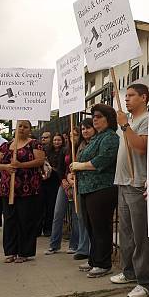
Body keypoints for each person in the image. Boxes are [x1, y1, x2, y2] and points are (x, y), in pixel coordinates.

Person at [111, 83, 149, 297]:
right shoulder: (129, 121)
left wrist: (124, 127)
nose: (127, 99)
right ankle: (130, 272)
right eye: (125, 95)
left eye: (131, 95)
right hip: (124, 182)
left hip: (138, 182)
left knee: (142, 235)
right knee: (127, 233)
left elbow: (141, 147)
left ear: (144, 97)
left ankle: (147, 281)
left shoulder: (148, 119)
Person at [71, 104, 119, 278]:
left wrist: (81, 165)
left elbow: (103, 160)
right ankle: (94, 259)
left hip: (102, 188)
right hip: (87, 188)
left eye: (99, 116)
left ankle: (103, 263)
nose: (95, 119)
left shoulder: (110, 137)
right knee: (91, 226)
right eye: (94, 116)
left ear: (108, 118)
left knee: (101, 227)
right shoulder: (96, 138)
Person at [0, 120, 45, 263]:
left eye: (25, 127)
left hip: (27, 189)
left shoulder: (34, 144)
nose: (22, 129)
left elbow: (40, 161)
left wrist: (21, 165)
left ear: (30, 129)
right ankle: (11, 251)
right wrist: (7, 167)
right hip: (8, 189)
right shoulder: (5, 145)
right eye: (19, 126)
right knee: (10, 220)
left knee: (25, 220)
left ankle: (25, 252)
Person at [45, 133, 80, 255]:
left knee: (75, 216)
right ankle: (54, 245)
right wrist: (64, 180)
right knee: (58, 213)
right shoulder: (65, 150)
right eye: (71, 135)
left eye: (75, 135)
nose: (72, 137)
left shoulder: (82, 148)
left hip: (76, 185)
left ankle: (74, 244)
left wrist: (72, 181)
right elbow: (60, 168)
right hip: (63, 185)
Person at [72, 121, 95, 264]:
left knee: (91, 221)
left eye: (88, 128)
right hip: (80, 184)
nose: (85, 131)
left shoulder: (94, 143)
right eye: (83, 129)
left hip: (91, 185)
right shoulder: (79, 145)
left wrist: (79, 167)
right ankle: (82, 248)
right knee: (81, 218)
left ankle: (90, 250)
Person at [39, 133, 63, 236]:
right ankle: (38, 228)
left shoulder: (64, 151)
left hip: (55, 182)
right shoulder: (47, 151)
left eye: (59, 140)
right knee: (41, 206)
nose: (56, 142)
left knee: (51, 206)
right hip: (44, 181)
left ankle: (48, 228)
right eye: (55, 140)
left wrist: (54, 170)